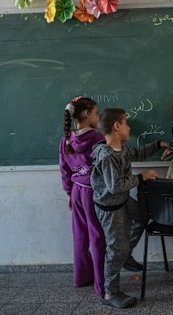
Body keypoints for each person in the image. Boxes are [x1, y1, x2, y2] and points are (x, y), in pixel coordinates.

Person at [90, 108, 168, 308]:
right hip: (110, 207)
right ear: (117, 126)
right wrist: (141, 177)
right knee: (116, 248)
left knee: (143, 217)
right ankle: (110, 293)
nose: (129, 126)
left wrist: (158, 144)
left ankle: (125, 256)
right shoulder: (107, 156)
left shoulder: (122, 149)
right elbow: (115, 187)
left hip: (123, 201)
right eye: (126, 123)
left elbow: (138, 152)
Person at [59, 96, 106, 297]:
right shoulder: (97, 137)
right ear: (87, 114)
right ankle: (101, 282)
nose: (98, 117)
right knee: (97, 237)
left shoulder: (66, 138)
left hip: (77, 190)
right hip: (93, 191)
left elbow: (64, 169)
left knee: (80, 236)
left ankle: (81, 277)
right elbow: (104, 166)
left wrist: (69, 192)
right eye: (96, 113)